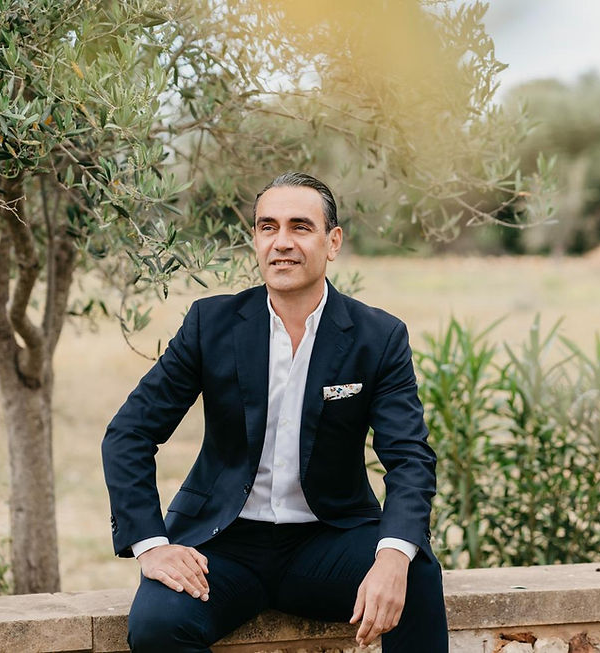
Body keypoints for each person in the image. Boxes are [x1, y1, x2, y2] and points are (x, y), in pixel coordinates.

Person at [101, 172, 448, 652]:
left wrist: (392, 556)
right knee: (159, 624)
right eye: (268, 227)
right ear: (256, 239)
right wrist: (151, 545)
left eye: (300, 227)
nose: (281, 242)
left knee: (417, 573)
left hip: (328, 542)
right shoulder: (210, 324)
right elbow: (129, 434)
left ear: (333, 242)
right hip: (221, 546)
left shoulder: (378, 337)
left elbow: (410, 457)